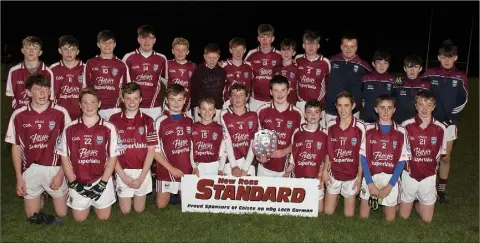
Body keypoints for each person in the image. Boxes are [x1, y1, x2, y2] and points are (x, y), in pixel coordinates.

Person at [5, 74, 71, 219]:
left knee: (62, 213)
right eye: (37, 89)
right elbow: (15, 147)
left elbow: (68, 146)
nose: (42, 93)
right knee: (32, 216)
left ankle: (59, 189)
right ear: (28, 92)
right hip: (30, 169)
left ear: (50, 91)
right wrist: (19, 177)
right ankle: (41, 195)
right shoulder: (18, 115)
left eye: (46, 89)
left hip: (54, 168)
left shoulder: (61, 113)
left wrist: (61, 174)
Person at [56, 87, 120, 222]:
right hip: (79, 179)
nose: (89, 106)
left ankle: (100, 194)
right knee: (79, 219)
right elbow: (64, 158)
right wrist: (73, 183)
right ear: (79, 105)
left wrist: (103, 183)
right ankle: (83, 198)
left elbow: (113, 158)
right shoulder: (69, 128)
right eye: (85, 102)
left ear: (99, 104)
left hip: (101, 178)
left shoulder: (109, 128)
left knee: (103, 217)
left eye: (93, 102)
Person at [421, 40, 468, 203]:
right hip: (430, 122)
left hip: (449, 123)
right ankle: (427, 187)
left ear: (456, 58)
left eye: (450, 57)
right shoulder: (430, 73)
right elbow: (421, 95)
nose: (446, 60)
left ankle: (441, 190)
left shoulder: (460, 77)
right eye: (443, 57)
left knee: (445, 157)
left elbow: (463, 100)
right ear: (438, 57)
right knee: (428, 156)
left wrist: (449, 118)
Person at [359, 95, 410, 221]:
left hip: (390, 177)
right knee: (363, 217)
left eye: (389, 108)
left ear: (394, 110)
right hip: (371, 176)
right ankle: (376, 198)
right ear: (376, 109)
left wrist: (390, 185)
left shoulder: (402, 131)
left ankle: (390, 201)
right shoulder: (368, 129)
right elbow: (363, 158)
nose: (386, 111)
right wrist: (370, 183)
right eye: (382, 108)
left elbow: (402, 161)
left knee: (390, 220)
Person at [399, 90, 447, 222]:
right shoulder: (406, 126)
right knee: (403, 217)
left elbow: (440, 155)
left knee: (427, 220)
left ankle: (417, 203)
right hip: (409, 175)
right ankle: (406, 200)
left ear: (434, 107)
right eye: (421, 104)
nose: (424, 109)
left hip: (429, 176)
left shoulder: (441, 128)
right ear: (416, 106)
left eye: (429, 105)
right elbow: (401, 153)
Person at [109, 82, 157, 214]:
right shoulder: (114, 120)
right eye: (128, 98)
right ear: (122, 99)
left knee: (139, 210)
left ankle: (134, 191)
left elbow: (151, 151)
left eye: (136, 98)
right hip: (123, 170)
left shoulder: (148, 120)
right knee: (125, 211)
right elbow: (111, 152)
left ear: (141, 99)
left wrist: (141, 177)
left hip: (142, 170)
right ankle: (121, 190)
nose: (132, 102)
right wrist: (124, 177)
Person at [322, 91, 365, 217]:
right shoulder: (331, 125)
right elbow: (328, 151)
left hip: (351, 174)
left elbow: (361, 154)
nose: (343, 109)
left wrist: (359, 177)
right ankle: (337, 194)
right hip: (334, 173)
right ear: (336, 106)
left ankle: (342, 194)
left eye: (346, 105)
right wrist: (325, 170)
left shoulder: (360, 127)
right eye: (340, 105)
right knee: (328, 212)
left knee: (349, 215)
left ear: (353, 106)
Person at [284, 100, 328, 214]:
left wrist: (322, 174)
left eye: (316, 112)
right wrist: (289, 169)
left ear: (321, 115)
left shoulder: (325, 134)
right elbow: (293, 153)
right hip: (299, 175)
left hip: (316, 176)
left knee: (318, 210)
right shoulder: (297, 132)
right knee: (297, 209)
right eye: (309, 112)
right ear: (305, 114)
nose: (313, 115)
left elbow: (327, 157)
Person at [153, 84, 193, 209]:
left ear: (185, 100)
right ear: (166, 100)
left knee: (189, 205)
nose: (176, 103)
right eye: (172, 99)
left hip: (186, 170)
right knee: (161, 206)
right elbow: (155, 152)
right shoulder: (160, 121)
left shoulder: (189, 120)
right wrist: (171, 169)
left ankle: (177, 194)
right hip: (166, 170)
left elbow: (193, 147)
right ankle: (172, 193)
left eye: (180, 100)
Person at [257, 75, 303, 177]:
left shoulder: (297, 113)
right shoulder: (262, 111)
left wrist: (284, 151)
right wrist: (260, 154)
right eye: (276, 90)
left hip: (286, 168)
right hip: (264, 167)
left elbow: (300, 142)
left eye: (283, 90)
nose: (279, 94)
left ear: (288, 91)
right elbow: (256, 139)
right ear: (270, 92)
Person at [323, 33, 372, 128]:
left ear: (356, 48)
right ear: (341, 47)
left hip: (353, 111)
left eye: (352, 46)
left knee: (352, 140)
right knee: (331, 139)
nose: (348, 49)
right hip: (331, 110)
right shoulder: (331, 61)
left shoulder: (364, 66)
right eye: (345, 46)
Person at [122, 25, 168, 121]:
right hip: (132, 106)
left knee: (154, 135)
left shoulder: (162, 59)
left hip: (154, 107)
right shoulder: (128, 57)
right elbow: (121, 83)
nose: (146, 42)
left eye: (150, 38)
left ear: (154, 40)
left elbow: (166, 82)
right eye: (143, 38)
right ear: (138, 39)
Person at [83, 30, 130, 121]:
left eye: (110, 42)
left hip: (115, 108)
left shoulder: (121, 65)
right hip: (95, 108)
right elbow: (86, 87)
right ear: (98, 44)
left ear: (115, 44)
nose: (107, 45)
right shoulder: (90, 63)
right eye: (104, 42)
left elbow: (127, 88)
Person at [219, 83, 258, 176]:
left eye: (241, 95)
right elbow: (227, 140)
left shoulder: (253, 115)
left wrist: (245, 168)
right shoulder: (224, 115)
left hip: (248, 163)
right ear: (230, 98)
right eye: (234, 95)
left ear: (247, 97)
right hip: (230, 162)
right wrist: (234, 166)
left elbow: (254, 142)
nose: (238, 98)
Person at [6, 36, 54, 109]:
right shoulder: (13, 71)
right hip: (20, 115)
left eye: (35, 48)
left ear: (40, 52)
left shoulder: (48, 72)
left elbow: (51, 97)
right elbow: (11, 95)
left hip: (41, 114)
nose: (31, 51)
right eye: (28, 48)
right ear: (22, 50)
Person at [245, 24, 282, 112]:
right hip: (255, 100)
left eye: (268, 37)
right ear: (258, 38)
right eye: (262, 37)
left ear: (272, 39)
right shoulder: (251, 54)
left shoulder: (280, 55)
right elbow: (242, 69)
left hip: (274, 100)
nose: (265, 40)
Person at [295, 30, 331, 115]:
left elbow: (329, 84)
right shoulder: (297, 59)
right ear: (303, 45)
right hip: (301, 104)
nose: (311, 47)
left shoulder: (325, 63)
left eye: (314, 44)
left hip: (318, 105)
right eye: (308, 43)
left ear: (318, 46)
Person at [50, 35, 85, 120]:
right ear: (59, 51)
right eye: (65, 49)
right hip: (59, 115)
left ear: (77, 52)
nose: (69, 53)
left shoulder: (86, 68)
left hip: (82, 115)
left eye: (72, 49)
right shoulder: (52, 69)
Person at [190, 98, 227, 176]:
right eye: (204, 109)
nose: (207, 112)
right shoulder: (193, 127)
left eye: (210, 109)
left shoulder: (219, 128)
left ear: (214, 111)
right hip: (197, 166)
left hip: (215, 165)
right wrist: (194, 167)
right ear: (199, 111)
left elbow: (223, 150)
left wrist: (221, 168)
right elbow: (191, 149)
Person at [190, 43, 226, 123]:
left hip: (217, 108)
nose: (212, 60)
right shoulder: (198, 71)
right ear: (204, 56)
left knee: (217, 130)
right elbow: (194, 90)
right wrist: (194, 107)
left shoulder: (222, 71)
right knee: (200, 130)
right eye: (209, 57)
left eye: (215, 58)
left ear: (218, 57)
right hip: (201, 109)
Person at [392, 55, 431, 124]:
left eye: (416, 67)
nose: (412, 70)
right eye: (409, 67)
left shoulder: (425, 84)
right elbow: (391, 100)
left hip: (418, 122)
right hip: (399, 121)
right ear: (404, 68)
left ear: (420, 69)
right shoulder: (398, 81)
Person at [360, 49, 395, 124]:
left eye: (385, 63)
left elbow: (396, 99)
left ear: (388, 65)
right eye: (379, 63)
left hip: (385, 119)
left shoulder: (393, 80)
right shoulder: (365, 78)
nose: (382, 66)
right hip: (367, 118)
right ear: (373, 64)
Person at [165, 37, 196, 118]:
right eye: (177, 50)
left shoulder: (193, 66)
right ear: (172, 51)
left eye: (183, 50)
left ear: (187, 52)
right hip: (170, 105)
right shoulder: (167, 64)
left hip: (186, 105)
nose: (180, 52)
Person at [220, 37, 253, 110]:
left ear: (244, 50)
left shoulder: (250, 66)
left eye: (240, 49)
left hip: (245, 104)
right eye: (235, 50)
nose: (238, 53)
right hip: (227, 104)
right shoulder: (223, 66)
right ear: (230, 50)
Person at [273, 38, 299, 108]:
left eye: (289, 50)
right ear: (280, 51)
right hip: (276, 105)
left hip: (292, 106)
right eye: (283, 50)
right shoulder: (276, 68)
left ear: (294, 52)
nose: (286, 53)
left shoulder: (298, 68)